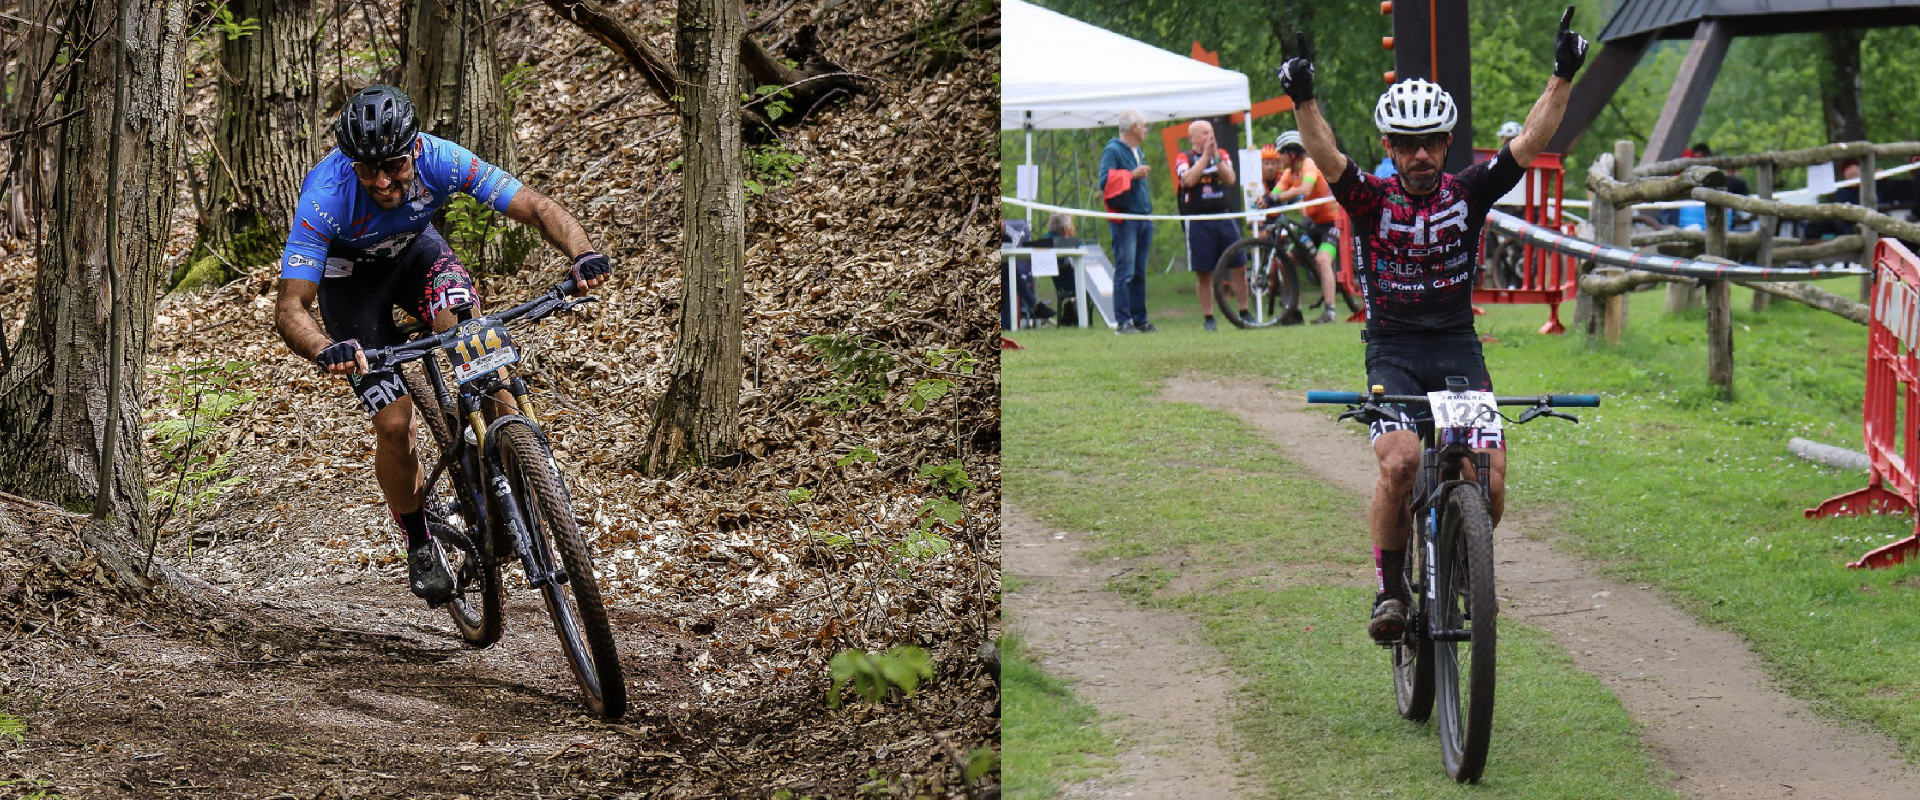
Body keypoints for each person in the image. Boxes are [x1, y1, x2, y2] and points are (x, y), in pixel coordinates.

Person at [1276, 8, 1587, 641]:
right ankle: (1391, 592)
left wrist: (1563, 74)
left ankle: (1464, 551)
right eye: (1405, 144)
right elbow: (1325, 152)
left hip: (1455, 345)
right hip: (1391, 348)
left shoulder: (1469, 192)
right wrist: (1303, 95)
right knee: (1399, 462)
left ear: (1446, 144)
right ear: (1389, 148)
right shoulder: (1369, 197)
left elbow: (1530, 140)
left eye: (1430, 142)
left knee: (1489, 480)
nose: (1419, 154)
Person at [273, 85, 612, 604]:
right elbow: (291, 307)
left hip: (417, 259)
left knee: (482, 350)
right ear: (349, 163)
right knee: (394, 424)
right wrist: (324, 348)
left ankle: (521, 469)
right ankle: (419, 542)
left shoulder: (441, 159)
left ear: (413, 150)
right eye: (368, 170)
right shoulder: (325, 194)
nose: (383, 181)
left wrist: (582, 252)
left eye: (392, 164)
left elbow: (535, 206)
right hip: (351, 289)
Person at [1260, 130, 1341, 324]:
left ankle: (1330, 311)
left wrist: (1276, 197)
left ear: (1293, 153)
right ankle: (1293, 311)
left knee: (1322, 260)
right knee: (1285, 261)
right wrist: (1265, 200)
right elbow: (1277, 191)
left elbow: (1305, 189)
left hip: (1331, 223)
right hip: (1311, 223)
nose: (1279, 158)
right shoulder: (1289, 173)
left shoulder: (1309, 166)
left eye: (1281, 153)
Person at [1176, 119, 1248, 331]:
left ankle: (1244, 312)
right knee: (1204, 272)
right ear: (1193, 138)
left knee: (1239, 266)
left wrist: (1215, 157)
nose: (1211, 137)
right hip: (1199, 220)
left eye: (1212, 132)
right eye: (1205, 133)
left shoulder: (1222, 154)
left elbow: (1230, 178)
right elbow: (1188, 180)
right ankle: (1209, 318)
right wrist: (1204, 157)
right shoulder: (1184, 158)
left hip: (1224, 216)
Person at [1100, 111, 1158, 333]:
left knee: (1140, 272)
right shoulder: (1112, 150)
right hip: (1125, 219)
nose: (1145, 130)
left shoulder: (1138, 151)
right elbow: (1104, 181)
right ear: (1134, 127)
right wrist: (1132, 175)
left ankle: (1140, 319)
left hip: (1143, 216)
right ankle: (1123, 322)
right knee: (1126, 270)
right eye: (1143, 126)